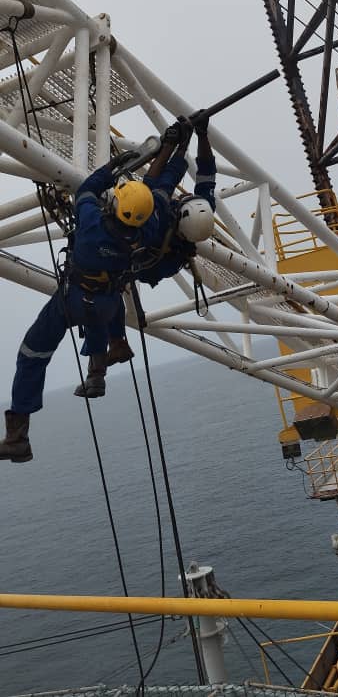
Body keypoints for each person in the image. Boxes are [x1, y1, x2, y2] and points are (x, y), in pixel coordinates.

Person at [0, 155, 155, 463]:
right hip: (108, 305)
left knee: (32, 355)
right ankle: (97, 375)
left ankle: (18, 437)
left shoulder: (92, 225)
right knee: (101, 311)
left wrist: (110, 170)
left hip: (74, 300)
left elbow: (86, 190)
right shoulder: (141, 238)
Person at [74, 112, 216, 394]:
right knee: (108, 290)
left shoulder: (160, 219)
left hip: (139, 261)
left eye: (184, 198)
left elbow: (155, 182)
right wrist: (199, 137)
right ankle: (111, 352)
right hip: (155, 264)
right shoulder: (197, 216)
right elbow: (207, 172)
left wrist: (172, 145)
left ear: (181, 213)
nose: (185, 195)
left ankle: (101, 363)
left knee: (102, 289)